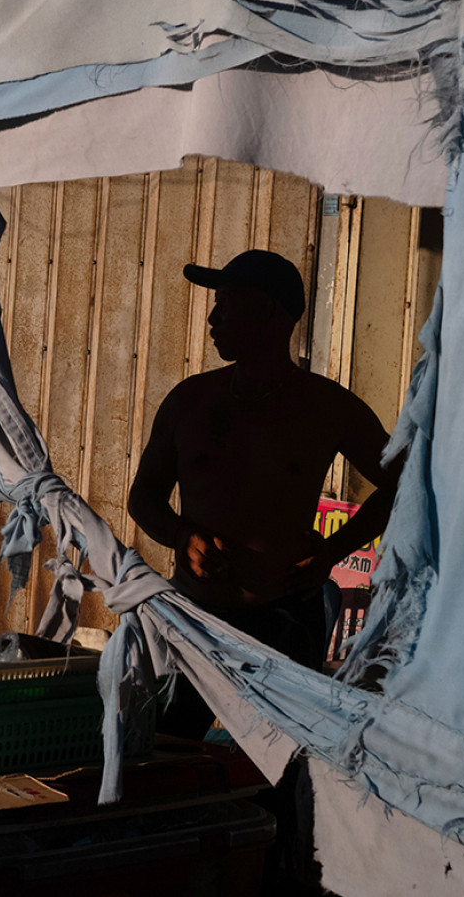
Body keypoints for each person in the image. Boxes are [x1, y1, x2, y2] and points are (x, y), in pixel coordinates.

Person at [129, 249, 399, 694]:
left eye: (226, 302)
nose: (213, 318)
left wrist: (333, 551)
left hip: (286, 623)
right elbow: (143, 496)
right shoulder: (190, 401)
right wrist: (180, 535)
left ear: (270, 311)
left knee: (283, 740)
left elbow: (403, 485)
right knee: (167, 733)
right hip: (194, 617)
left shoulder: (327, 407)